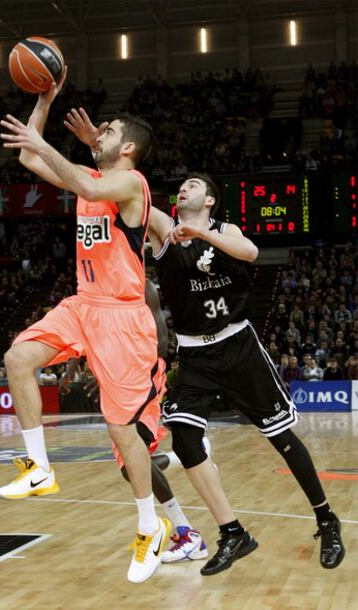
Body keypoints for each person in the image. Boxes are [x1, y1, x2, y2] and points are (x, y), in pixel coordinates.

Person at [0, 71, 170, 583]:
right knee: (17, 358)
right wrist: (44, 102)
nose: (100, 132)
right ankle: (38, 468)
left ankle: (150, 526)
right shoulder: (94, 179)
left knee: (121, 430)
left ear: (130, 147)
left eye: (110, 131)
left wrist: (57, 146)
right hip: (83, 303)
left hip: (123, 318)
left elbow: (76, 177)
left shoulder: (130, 183)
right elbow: (31, 158)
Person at [145, 172, 344, 573]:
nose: (184, 188)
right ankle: (233, 533)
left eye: (194, 185)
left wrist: (202, 236)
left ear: (210, 202)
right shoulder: (163, 229)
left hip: (239, 347)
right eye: (181, 185)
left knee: (281, 438)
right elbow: (127, 195)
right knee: (184, 441)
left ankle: (327, 520)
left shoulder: (226, 229)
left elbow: (250, 252)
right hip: (194, 354)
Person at [61, 279, 209, 563]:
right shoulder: (96, 287)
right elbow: (88, 331)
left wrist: (121, 377)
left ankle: (187, 534)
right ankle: (186, 460)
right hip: (117, 380)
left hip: (142, 378)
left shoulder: (145, 287)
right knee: (132, 467)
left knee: (133, 464)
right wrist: (71, 369)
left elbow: (161, 343)